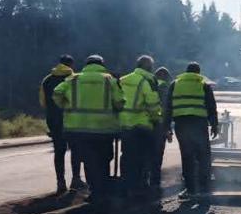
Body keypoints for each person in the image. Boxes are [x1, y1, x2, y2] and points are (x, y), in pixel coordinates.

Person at [53, 54, 125, 203]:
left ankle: (93, 191)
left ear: (86, 64)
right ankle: (102, 191)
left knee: (87, 161)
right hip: (103, 129)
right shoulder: (109, 80)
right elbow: (119, 103)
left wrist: (66, 106)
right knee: (103, 160)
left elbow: (57, 93)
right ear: (102, 64)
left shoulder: (73, 79)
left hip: (77, 129)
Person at [169, 62, 218, 200]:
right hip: (199, 124)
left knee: (187, 156)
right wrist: (214, 125)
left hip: (181, 125)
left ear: (186, 72)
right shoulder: (203, 84)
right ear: (198, 72)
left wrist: (166, 127)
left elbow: (168, 107)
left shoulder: (175, 84)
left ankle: (190, 190)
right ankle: (204, 189)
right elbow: (211, 107)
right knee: (203, 156)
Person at [39, 54, 85, 194]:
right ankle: (76, 179)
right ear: (71, 64)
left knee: (59, 151)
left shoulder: (47, 80)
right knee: (75, 150)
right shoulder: (74, 79)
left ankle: (60, 182)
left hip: (53, 120)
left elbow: (43, 102)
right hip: (71, 120)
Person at [119, 55, 161, 198]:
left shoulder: (123, 79)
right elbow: (153, 103)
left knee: (126, 156)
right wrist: (157, 119)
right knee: (143, 157)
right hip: (142, 125)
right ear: (149, 67)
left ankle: (126, 185)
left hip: (124, 124)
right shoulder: (148, 80)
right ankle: (140, 186)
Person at [151, 66, 173, 189]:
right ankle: (155, 182)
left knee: (146, 154)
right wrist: (168, 130)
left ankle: (143, 180)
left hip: (146, 124)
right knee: (157, 155)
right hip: (159, 126)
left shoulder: (149, 84)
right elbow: (167, 110)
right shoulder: (166, 88)